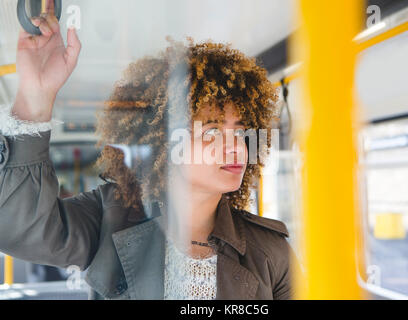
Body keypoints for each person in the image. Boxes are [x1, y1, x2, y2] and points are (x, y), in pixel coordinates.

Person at [0, 9, 299, 300]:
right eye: (211, 131)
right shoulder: (110, 218)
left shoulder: (270, 253)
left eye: (241, 131)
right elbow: (18, 227)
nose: (236, 146)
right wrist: (34, 96)